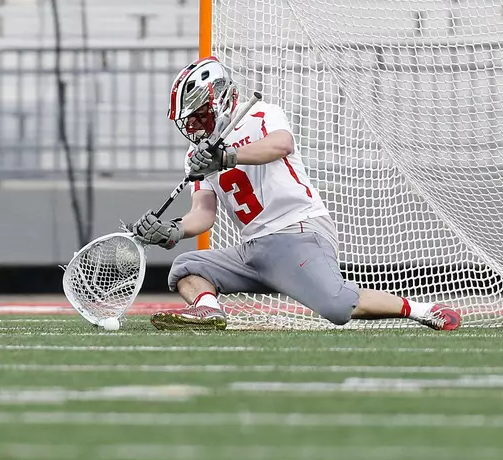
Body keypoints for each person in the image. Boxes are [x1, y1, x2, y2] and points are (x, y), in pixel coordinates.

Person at [131, 56, 462, 332]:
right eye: (189, 121)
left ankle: (421, 310)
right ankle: (208, 310)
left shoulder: (260, 115)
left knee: (336, 306)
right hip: (254, 250)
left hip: (296, 232)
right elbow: (203, 213)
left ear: (220, 98)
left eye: (199, 115)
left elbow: (280, 145)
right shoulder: (196, 156)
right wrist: (173, 230)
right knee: (187, 267)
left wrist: (227, 156)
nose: (195, 128)